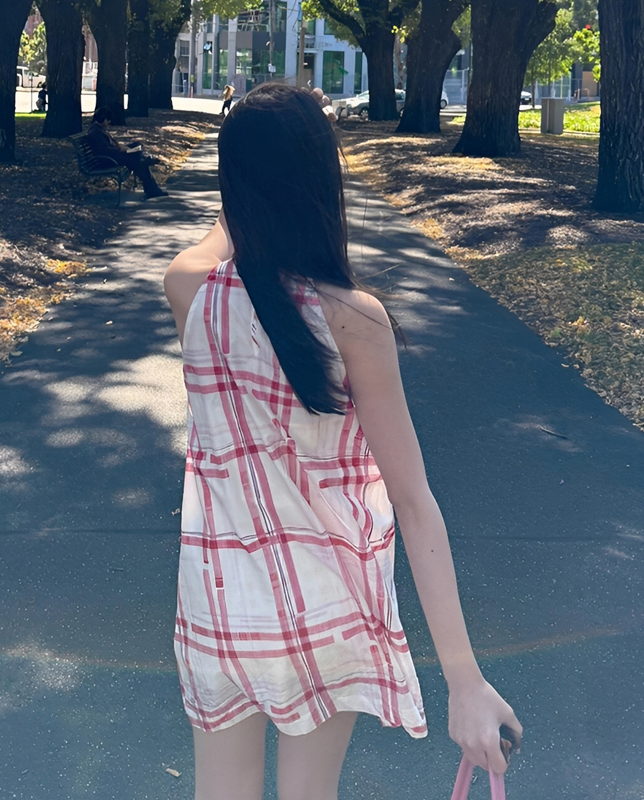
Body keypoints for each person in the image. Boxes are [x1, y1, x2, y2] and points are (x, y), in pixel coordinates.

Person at [163, 83, 522, 800]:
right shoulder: (354, 318)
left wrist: (242, 173)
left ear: (232, 187)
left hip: (219, 599)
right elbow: (413, 502)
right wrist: (463, 678)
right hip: (329, 603)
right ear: (324, 181)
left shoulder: (191, 291)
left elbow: (217, 241)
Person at [86, 107, 168, 199]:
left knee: (137, 146)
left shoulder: (99, 129)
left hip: (113, 155)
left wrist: (122, 147)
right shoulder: (96, 132)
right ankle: (152, 185)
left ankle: (146, 160)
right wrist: (121, 150)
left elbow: (109, 146)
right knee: (138, 159)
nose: (109, 122)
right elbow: (105, 151)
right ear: (103, 119)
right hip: (108, 160)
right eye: (108, 120)